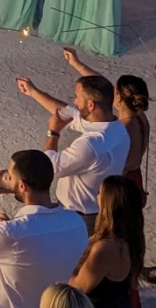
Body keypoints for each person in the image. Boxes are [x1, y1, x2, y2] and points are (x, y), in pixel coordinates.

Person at [0, 150, 89, 308]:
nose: (7, 179)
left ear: (22, 186)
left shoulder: (11, 234)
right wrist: (10, 228)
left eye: (9, 176)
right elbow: (37, 250)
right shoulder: (76, 222)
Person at [15, 74, 131, 234]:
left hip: (79, 216)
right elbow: (68, 113)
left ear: (90, 105)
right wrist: (33, 91)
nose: (75, 102)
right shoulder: (117, 128)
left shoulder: (91, 144)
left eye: (77, 97)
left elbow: (51, 166)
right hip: (97, 210)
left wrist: (53, 133)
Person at [63, 48, 150, 202]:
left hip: (122, 182)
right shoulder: (140, 116)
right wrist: (76, 63)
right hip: (136, 177)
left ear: (119, 97)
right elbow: (102, 84)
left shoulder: (123, 127)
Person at [69, 176, 145, 308]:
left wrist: (58, 269)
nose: (97, 197)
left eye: (100, 193)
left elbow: (80, 287)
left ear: (108, 203)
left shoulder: (105, 248)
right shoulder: (133, 237)